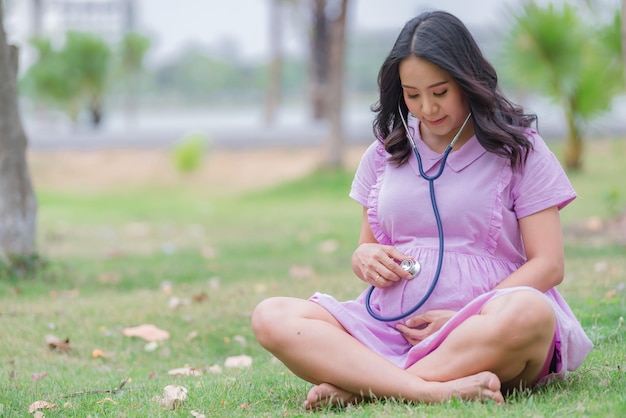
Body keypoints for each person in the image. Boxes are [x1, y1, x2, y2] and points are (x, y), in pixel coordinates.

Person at [251, 10, 593, 410]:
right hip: (388, 327)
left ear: (468, 79)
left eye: (440, 91)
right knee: (271, 315)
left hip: (480, 328)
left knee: (531, 312)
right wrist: (364, 257)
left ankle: (367, 385)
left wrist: (466, 316)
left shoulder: (519, 149)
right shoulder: (386, 152)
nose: (427, 107)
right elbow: (367, 248)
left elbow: (549, 265)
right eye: (412, 95)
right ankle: (427, 388)